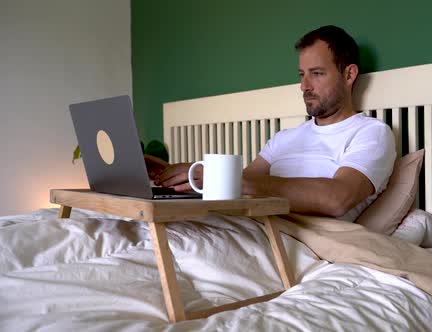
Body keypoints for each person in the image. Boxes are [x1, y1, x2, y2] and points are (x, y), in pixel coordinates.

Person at [150, 25, 396, 221]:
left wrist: (230, 179)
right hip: (251, 228)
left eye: (317, 73)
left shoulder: (370, 133)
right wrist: (190, 179)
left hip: (295, 242)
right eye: (302, 75)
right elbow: (243, 185)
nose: (304, 86)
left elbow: (337, 199)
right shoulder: (283, 139)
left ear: (349, 74)